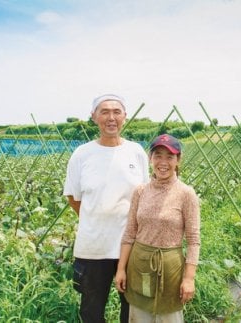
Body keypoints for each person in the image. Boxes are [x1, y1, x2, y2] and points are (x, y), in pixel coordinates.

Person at [63, 94, 150, 323]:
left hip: (131, 245)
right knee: (91, 310)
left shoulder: (136, 152)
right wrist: (96, 219)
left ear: (124, 117)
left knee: (132, 309)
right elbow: (73, 197)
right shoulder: (82, 154)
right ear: (94, 117)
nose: (111, 117)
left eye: (116, 112)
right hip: (94, 246)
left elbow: (145, 195)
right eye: (104, 112)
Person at [115, 134, 201, 322]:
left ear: (178, 160)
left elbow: (194, 241)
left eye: (169, 157)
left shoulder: (186, 194)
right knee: (139, 315)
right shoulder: (140, 191)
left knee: (168, 316)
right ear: (150, 158)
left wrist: (189, 279)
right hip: (140, 265)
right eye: (158, 155)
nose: (163, 162)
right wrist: (121, 269)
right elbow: (129, 234)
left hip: (170, 269)